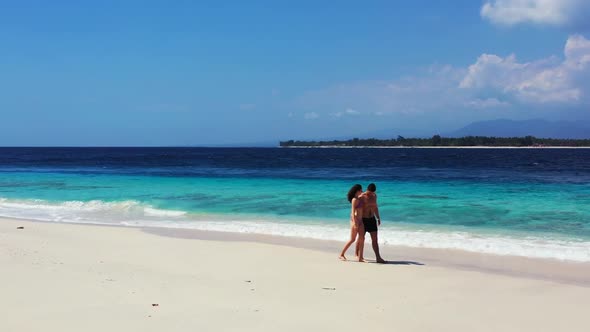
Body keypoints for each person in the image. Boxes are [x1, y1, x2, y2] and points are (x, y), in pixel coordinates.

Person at [356, 183, 386, 263]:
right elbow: (356, 209)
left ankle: (378, 257)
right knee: (361, 238)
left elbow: (375, 207)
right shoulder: (362, 197)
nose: (371, 194)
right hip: (363, 220)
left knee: (375, 239)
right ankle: (357, 255)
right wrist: (356, 220)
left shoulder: (374, 196)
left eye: (372, 193)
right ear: (367, 190)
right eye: (370, 192)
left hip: (372, 220)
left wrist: (378, 218)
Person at [339, 184, 366, 262]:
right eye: (361, 190)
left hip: (361, 221)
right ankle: (341, 254)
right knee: (352, 239)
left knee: (362, 238)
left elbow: (363, 194)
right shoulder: (354, 200)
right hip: (355, 221)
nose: (362, 191)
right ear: (357, 191)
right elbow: (353, 211)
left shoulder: (359, 198)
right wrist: (355, 222)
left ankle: (360, 257)